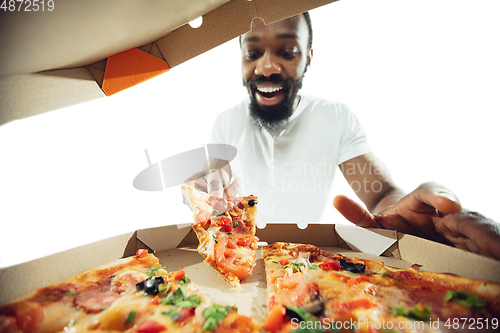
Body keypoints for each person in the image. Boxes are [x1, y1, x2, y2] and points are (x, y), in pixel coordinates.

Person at [188, 13, 500, 260]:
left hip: (311, 262)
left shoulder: (334, 117)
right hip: (245, 260)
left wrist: (412, 227)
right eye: (252, 52)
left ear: (308, 57)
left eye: (287, 51)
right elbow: (214, 182)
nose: (266, 66)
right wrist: (201, 192)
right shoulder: (226, 121)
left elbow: (379, 196)